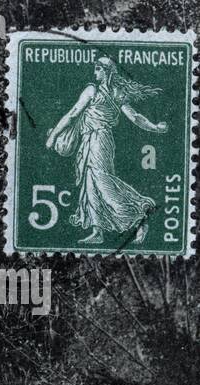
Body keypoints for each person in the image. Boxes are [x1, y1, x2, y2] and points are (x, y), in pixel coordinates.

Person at [46, 56, 167, 246]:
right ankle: (97, 231)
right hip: (92, 141)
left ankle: (139, 214)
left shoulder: (94, 91)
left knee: (102, 182)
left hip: (99, 140)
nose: (94, 73)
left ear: (106, 71)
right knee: (90, 184)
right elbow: (135, 117)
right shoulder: (115, 92)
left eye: (97, 69)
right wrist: (155, 127)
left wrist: (53, 136)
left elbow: (72, 114)